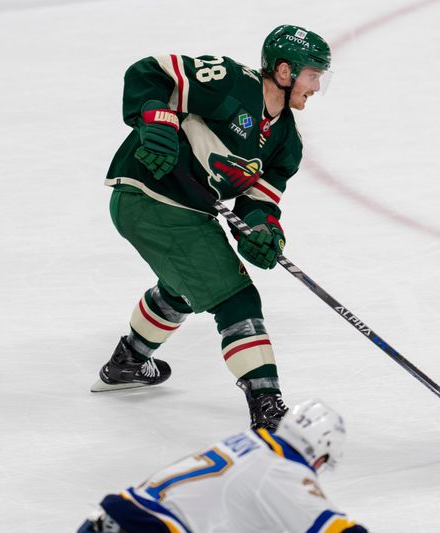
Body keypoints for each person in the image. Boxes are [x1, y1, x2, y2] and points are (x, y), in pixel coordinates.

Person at [90, 25, 333, 430]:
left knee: (186, 286)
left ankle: (127, 362)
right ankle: (268, 409)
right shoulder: (232, 83)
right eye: (313, 75)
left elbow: (258, 202)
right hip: (148, 195)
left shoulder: (285, 140)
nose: (317, 86)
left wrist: (263, 232)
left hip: (182, 209)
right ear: (285, 71)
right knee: (235, 298)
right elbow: (149, 72)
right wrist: (159, 122)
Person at [77, 399, 367, 533]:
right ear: (321, 454)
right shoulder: (284, 472)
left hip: (101, 522)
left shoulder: (248, 443)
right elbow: (337, 530)